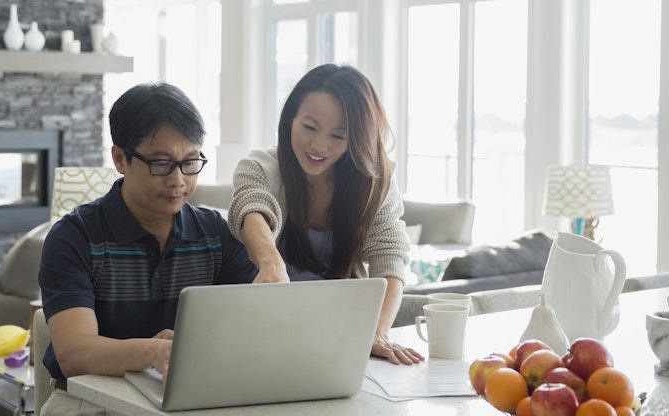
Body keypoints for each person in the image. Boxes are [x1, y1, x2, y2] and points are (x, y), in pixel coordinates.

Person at [38, 82, 259, 415]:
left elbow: (253, 328)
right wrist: (155, 354)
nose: (178, 180)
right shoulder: (75, 237)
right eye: (161, 164)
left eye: (189, 162)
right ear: (120, 159)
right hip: (89, 401)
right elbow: (73, 354)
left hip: (190, 397)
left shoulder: (219, 234)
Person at [228, 64, 423, 365]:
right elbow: (251, 207)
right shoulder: (259, 168)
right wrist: (271, 264)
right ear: (290, 118)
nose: (319, 145)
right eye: (309, 127)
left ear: (357, 138)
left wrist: (377, 332)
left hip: (339, 335)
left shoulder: (373, 181)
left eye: (338, 136)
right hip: (264, 332)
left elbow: (390, 255)